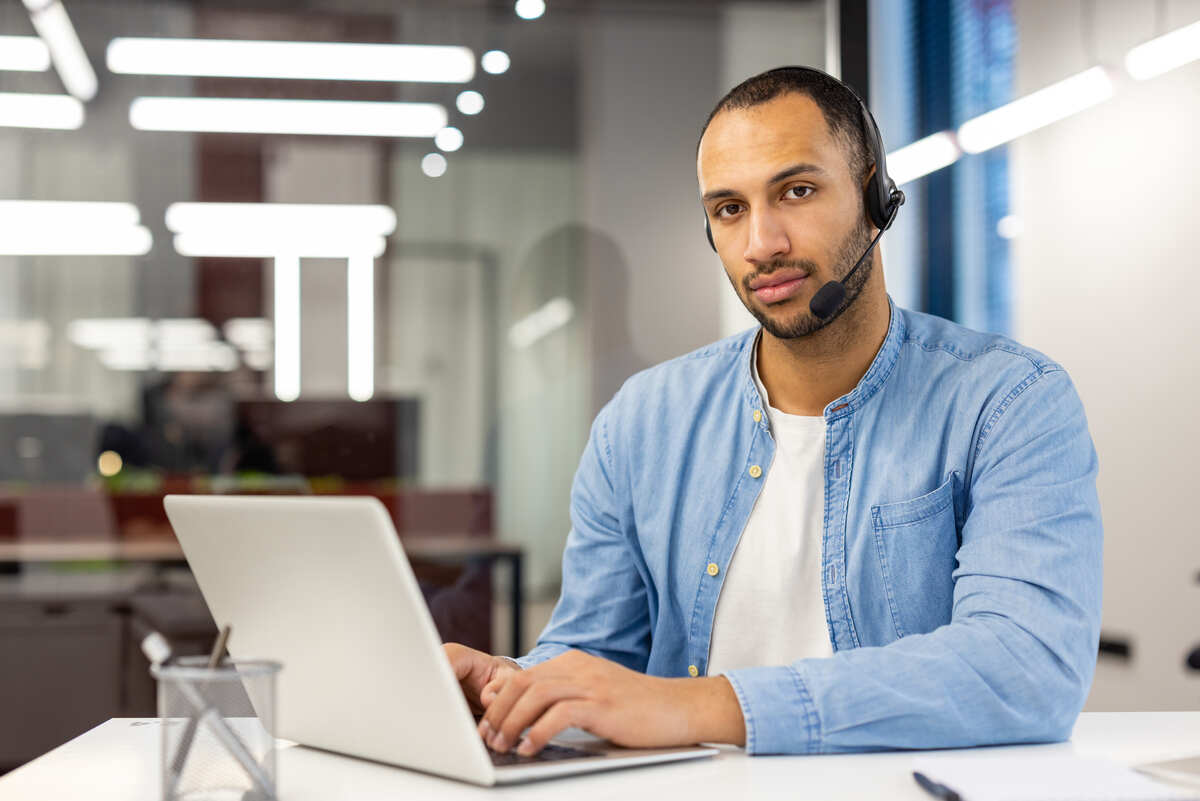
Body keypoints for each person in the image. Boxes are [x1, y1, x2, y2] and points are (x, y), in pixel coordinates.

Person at [445, 66, 1102, 757]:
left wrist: (700, 705)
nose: (762, 243)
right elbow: (596, 651)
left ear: (875, 195)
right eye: (729, 209)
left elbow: (1026, 668)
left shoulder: (1008, 403)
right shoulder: (641, 423)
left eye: (796, 191)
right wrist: (515, 686)